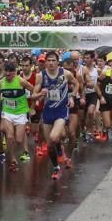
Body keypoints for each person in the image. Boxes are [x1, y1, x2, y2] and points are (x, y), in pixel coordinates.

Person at [34, 52, 79, 180]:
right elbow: (33, 94)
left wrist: (72, 97)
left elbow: (76, 84)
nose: (50, 63)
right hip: (48, 111)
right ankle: (56, 168)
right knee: (49, 145)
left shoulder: (65, 74)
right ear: (46, 62)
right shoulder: (40, 76)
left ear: (57, 62)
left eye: (53, 60)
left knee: (54, 137)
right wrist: (40, 94)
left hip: (61, 111)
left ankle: (61, 151)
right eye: (48, 60)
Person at [0, 59, 36, 171]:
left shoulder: (21, 81)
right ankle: (12, 159)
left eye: (10, 71)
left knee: (18, 139)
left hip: (21, 112)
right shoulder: (1, 82)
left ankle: (19, 151)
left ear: (15, 72)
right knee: (9, 136)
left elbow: (33, 90)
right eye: (6, 71)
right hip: (7, 112)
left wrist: (32, 107)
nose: (8, 74)